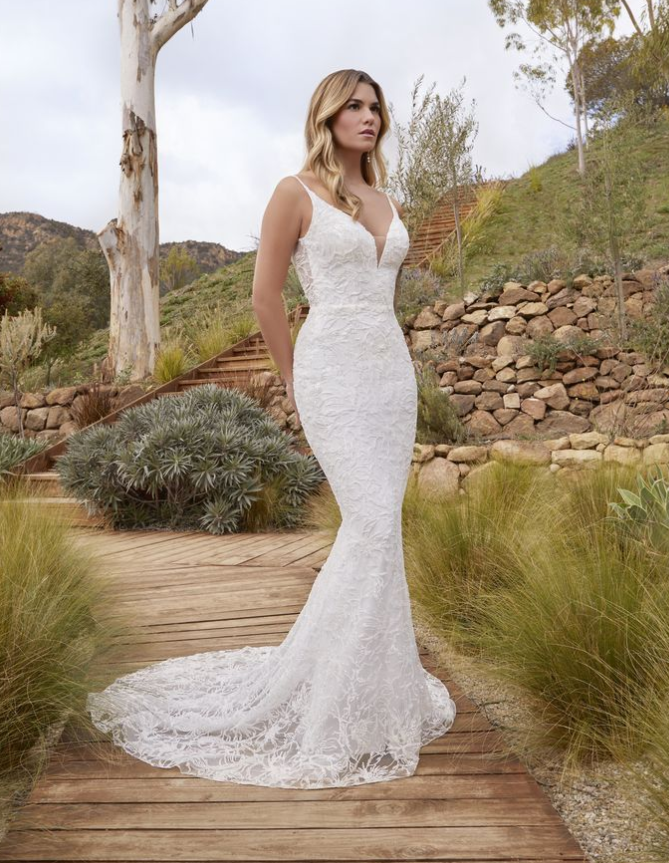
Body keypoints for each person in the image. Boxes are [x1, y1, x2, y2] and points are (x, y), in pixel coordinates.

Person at [86, 69, 456, 789]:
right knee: (373, 526)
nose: (368, 115)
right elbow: (263, 296)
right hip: (328, 373)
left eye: (375, 106)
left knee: (377, 527)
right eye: (353, 105)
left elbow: (383, 296)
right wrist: (294, 378)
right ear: (325, 115)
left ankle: (374, 694)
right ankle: (330, 709)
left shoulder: (388, 199)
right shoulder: (295, 193)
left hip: (388, 375)